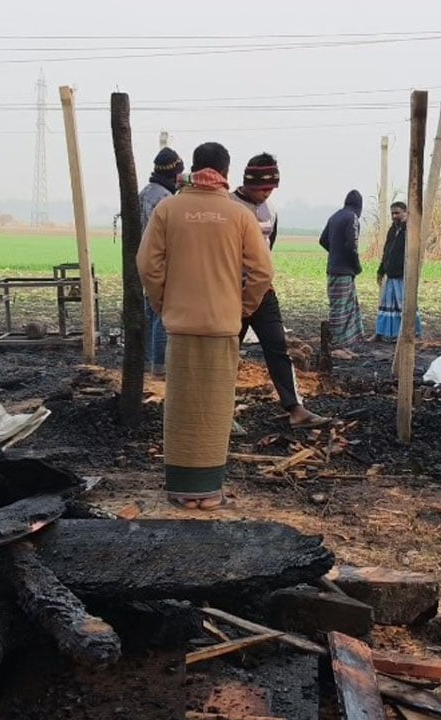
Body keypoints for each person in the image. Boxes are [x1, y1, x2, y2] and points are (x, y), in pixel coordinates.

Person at [137, 142, 274, 510]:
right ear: (226, 172)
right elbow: (262, 272)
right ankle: (209, 490)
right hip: (222, 325)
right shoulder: (239, 215)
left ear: (191, 169)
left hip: (180, 325)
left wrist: (162, 301)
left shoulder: (169, 208)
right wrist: (241, 307)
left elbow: (147, 265)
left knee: (181, 408)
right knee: (214, 408)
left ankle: (182, 489)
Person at [231, 153, 332, 430]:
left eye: (271, 188)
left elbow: (266, 253)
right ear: (247, 182)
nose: (266, 193)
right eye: (261, 188)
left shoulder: (270, 211)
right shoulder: (228, 207)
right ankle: (220, 412)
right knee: (227, 352)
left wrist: (259, 285)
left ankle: (295, 409)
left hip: (262, 292)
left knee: (277, 347)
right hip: (230, 293)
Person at [138, 147, 183, 378]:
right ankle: (160, 366)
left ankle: (147, 362)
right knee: (162, 315)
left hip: (146, 260)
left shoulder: (146, 192)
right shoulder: (165, 199)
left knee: (151, 312)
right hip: (161, 262)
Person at [320, 190, 365, 347]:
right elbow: (352, 245)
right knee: (341, 309)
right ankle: (338, 343)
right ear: (359, 207)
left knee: (340, 305)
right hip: (344, 270)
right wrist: (355, 265)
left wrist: (335, 252)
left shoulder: (334, 217)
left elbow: (322, 240)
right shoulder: (352, 218)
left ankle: (343, 341)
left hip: (333, 268)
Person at [374, 201, 422, 342]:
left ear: (405, 213)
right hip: (391, 275)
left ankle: (414, 334)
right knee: (387, 306)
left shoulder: (409, 230)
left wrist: (406, 223)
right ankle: (383, 333)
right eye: (392, 213)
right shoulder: (392, 230)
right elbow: (386, 252)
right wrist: (381, 270)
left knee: (405, 306)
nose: (394, 216)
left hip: (403, 276)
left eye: (397, 213)